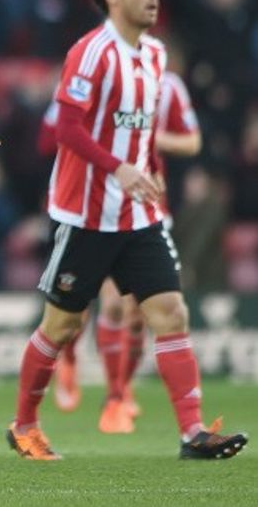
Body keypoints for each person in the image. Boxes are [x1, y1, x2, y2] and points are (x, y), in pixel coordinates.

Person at [6, 0, 247, 460]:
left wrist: (147, 177)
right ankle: (24, 425)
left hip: (139, 215)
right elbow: (67, 128)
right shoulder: (91, 52)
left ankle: (192, 434)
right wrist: (119, 170)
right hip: (87, 215)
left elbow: (141, 137)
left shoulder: (156, 57)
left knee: (170, 311)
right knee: (62, 326)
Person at [40, 67, 203, 432]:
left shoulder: (168, 85)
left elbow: (192, 142)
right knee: (97, 307)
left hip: (146, 207)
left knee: (137, 312)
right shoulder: (87, 80)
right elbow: (50, 136)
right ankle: (75, 361)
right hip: (93, 208)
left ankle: (119, 393)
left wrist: (151, 137)